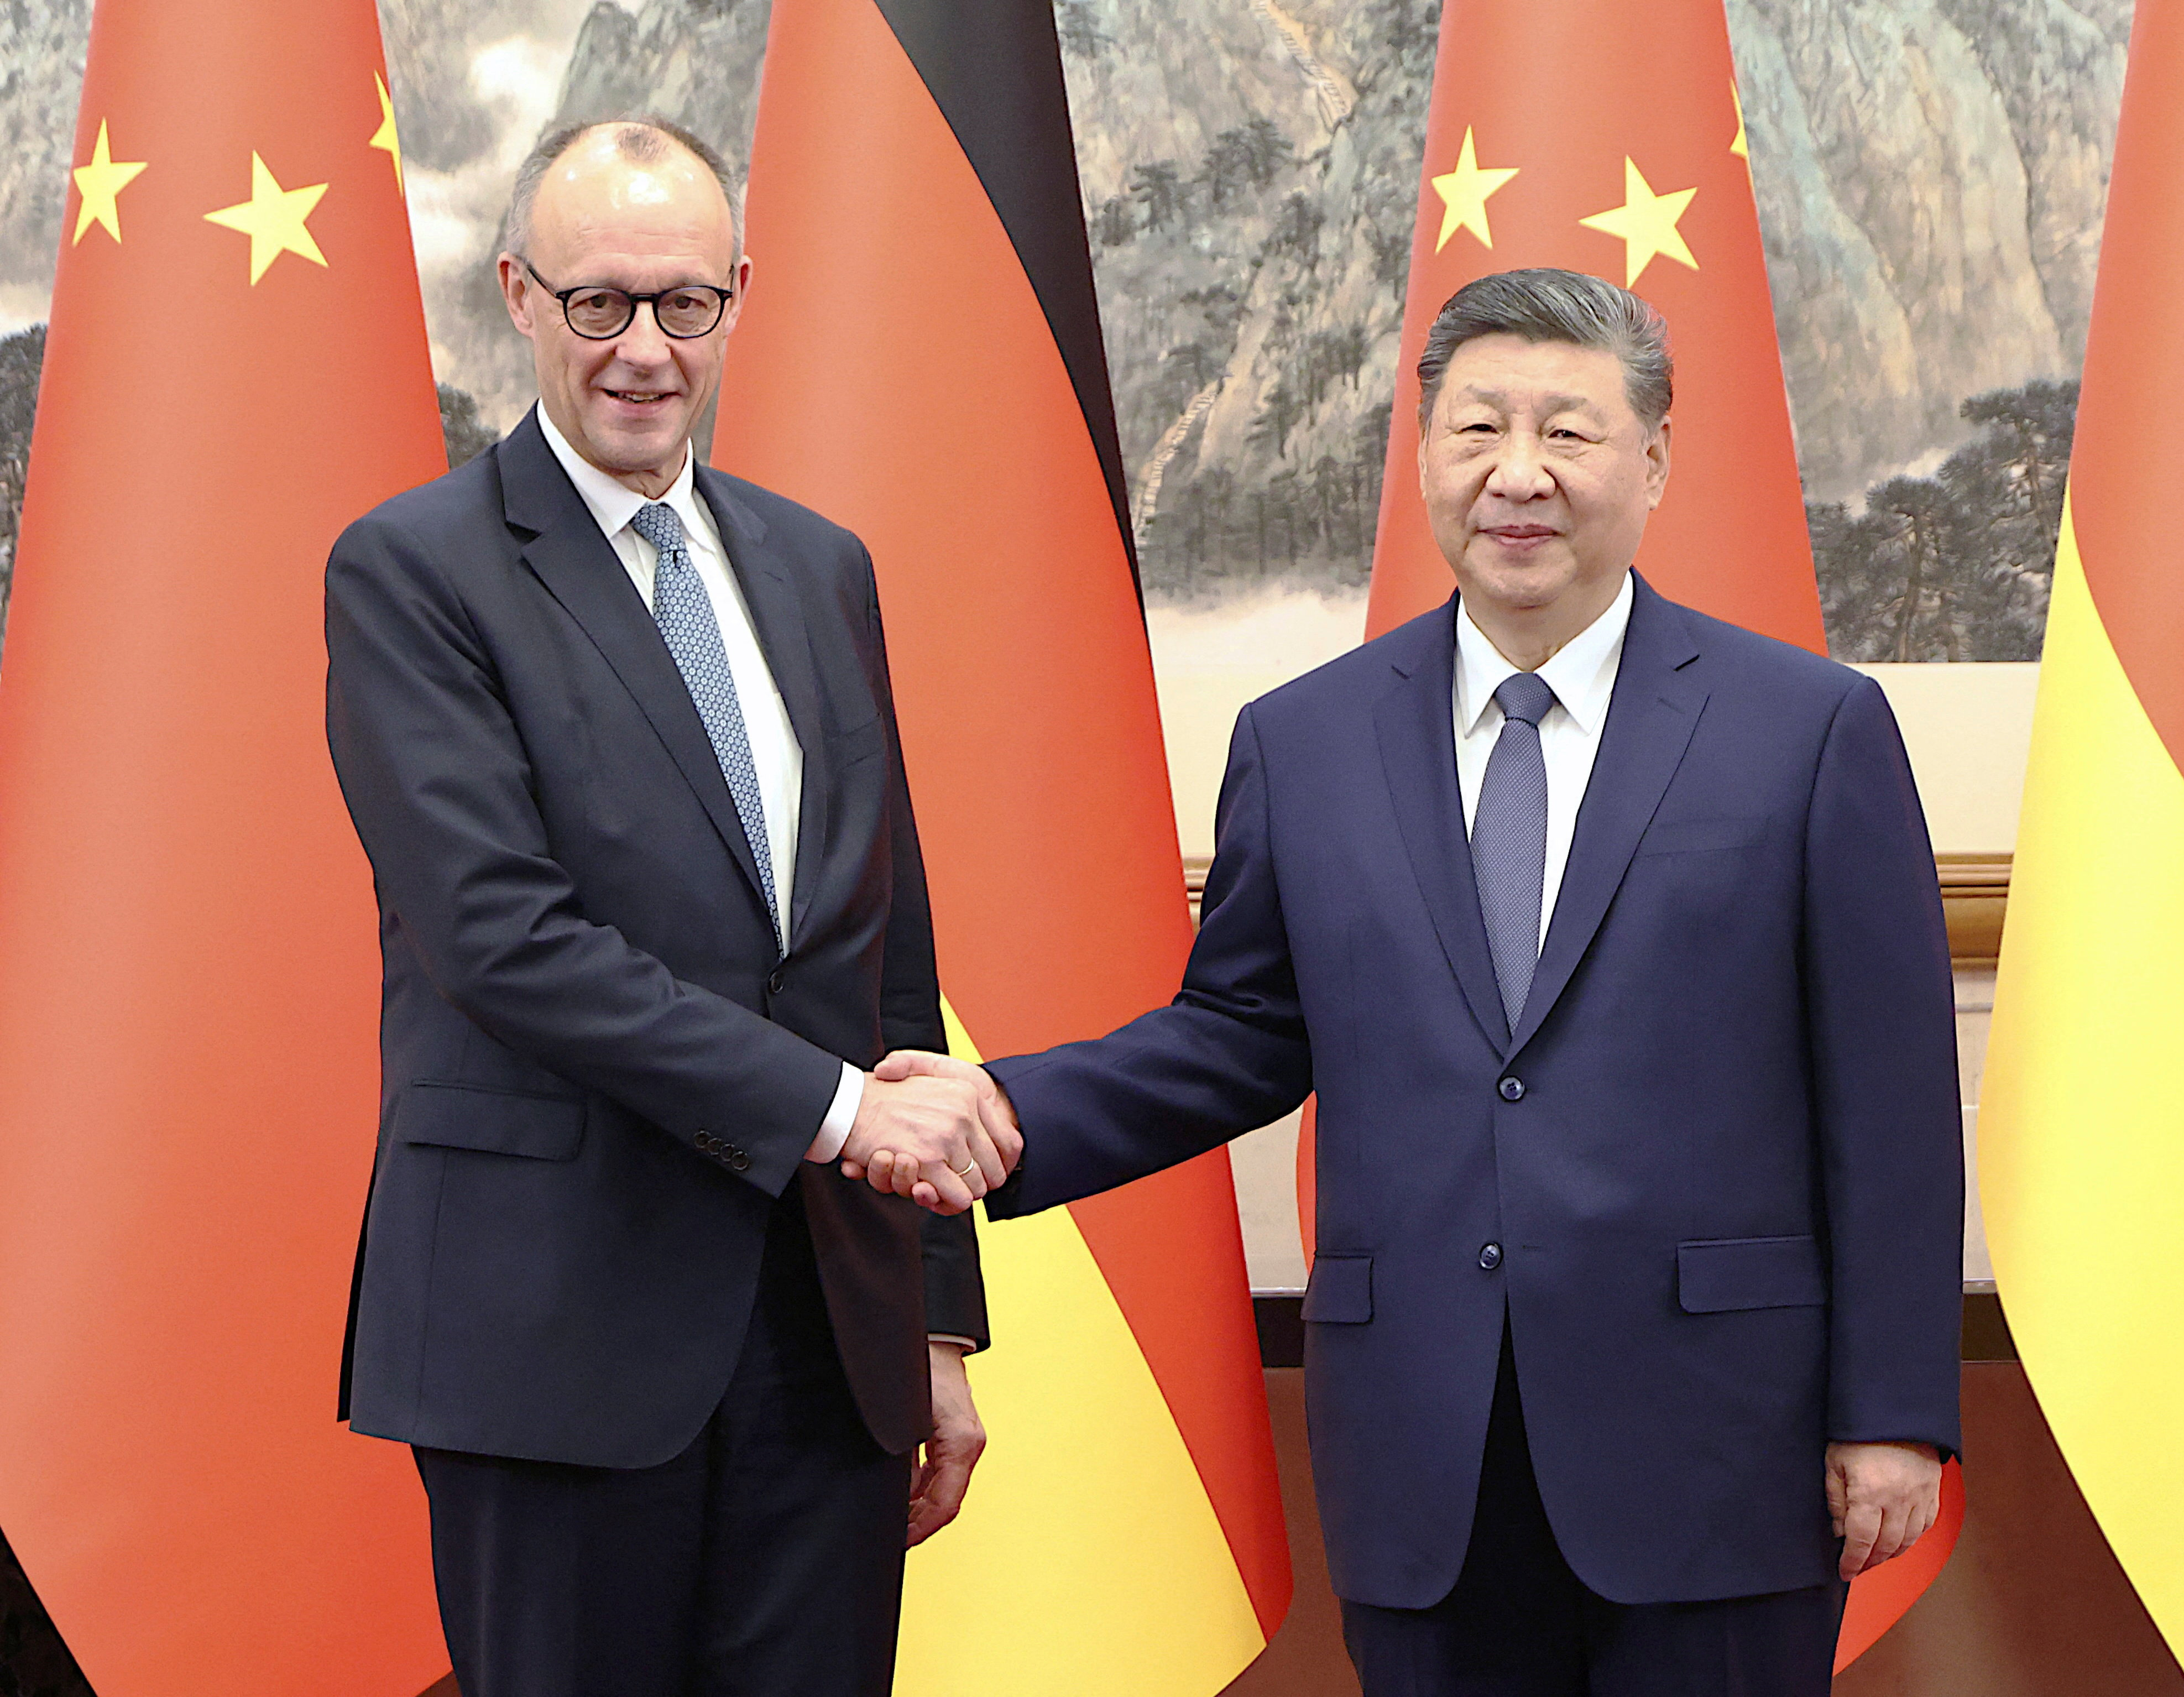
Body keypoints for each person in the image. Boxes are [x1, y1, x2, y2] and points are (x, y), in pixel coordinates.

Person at [875, 268, 1962, 1695]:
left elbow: (1887, 1101)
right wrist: (1001, 1112)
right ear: (1423, 454)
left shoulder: (1805, 727)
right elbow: (1240, 1034)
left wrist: (1890, 1412)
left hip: (1718, 1444)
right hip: (1423, 1446)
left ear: (1652, 459)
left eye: (1567, 433)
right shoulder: (1307, 739)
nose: (1517, 474)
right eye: (1475, 430)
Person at [323, 117, 1021, 1697]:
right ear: (518, 294)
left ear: (736, 301)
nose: (645, 350)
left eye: (683, 305)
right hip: (556, 1335)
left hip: (823, 1345)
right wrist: (843, 1117)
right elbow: (505, 941)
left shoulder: (818, 566)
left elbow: (885, 975)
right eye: (600, 304)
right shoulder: (413, 571)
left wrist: (935, 1329)